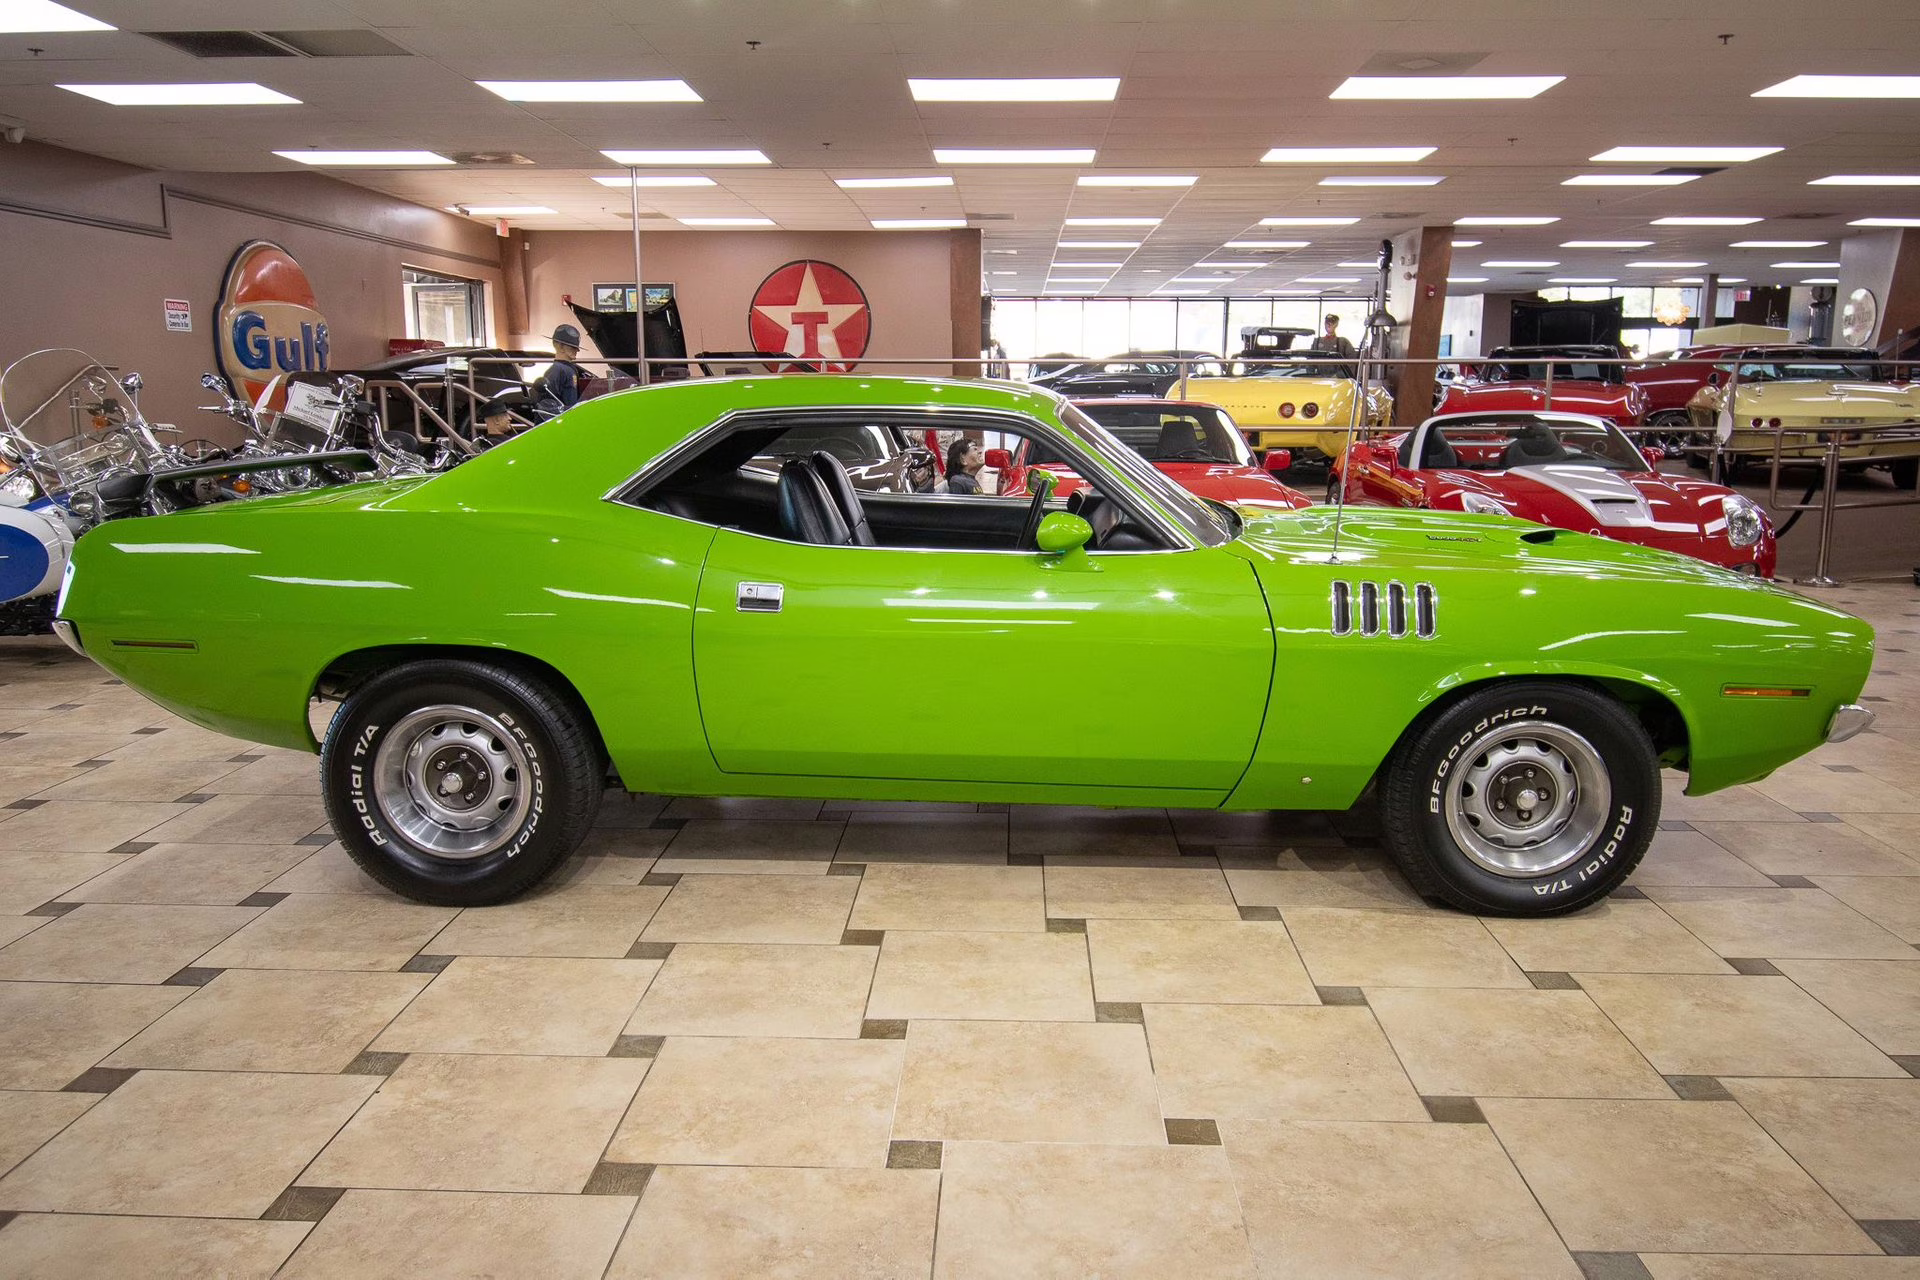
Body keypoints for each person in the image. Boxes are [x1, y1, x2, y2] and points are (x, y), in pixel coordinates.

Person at [541, 323, 588, 411]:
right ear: (560, 346)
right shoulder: (557, 370)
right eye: (572, 347)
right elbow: (548, 403)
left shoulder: (567, 369)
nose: (576, 350)